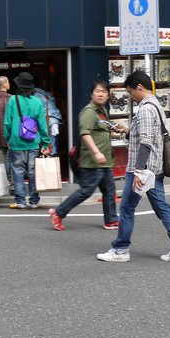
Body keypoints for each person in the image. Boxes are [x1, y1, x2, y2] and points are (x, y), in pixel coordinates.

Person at [97, 70, 170, 263]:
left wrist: (138, 171)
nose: (130, 96)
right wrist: (126, 131)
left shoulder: (146, 109)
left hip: (143, 169)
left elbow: (146, 142)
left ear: (139, 87)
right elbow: (150, 135)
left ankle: (121, 250)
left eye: (130, 92)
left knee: (126, 208)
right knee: (162, 207)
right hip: (155, 168)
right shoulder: (156, 104)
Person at [49, 81, 122, 231]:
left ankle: (111, 220)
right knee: (86, 190)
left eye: (104, 92)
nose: (100, 94)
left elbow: (101, 132)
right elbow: (85, 134)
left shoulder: (102, 111)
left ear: (108, 95)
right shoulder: (88, 112)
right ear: (92, 94)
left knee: (109, 191)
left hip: (105, 161)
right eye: (97, 91)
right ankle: (58, 212)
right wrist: (96, 152)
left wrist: (116, 132)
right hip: (93, 160)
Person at [2, 72, 52, 210]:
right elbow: (42, 124)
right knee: (33, 173)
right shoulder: (37, 102)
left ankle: (20, 201)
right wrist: (45, 142)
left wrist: (8, 138)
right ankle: (34, 201)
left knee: (17, 172)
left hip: (16, 142)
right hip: (33, 143)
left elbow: (7, 123)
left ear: (19, 85)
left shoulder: (13, 100)